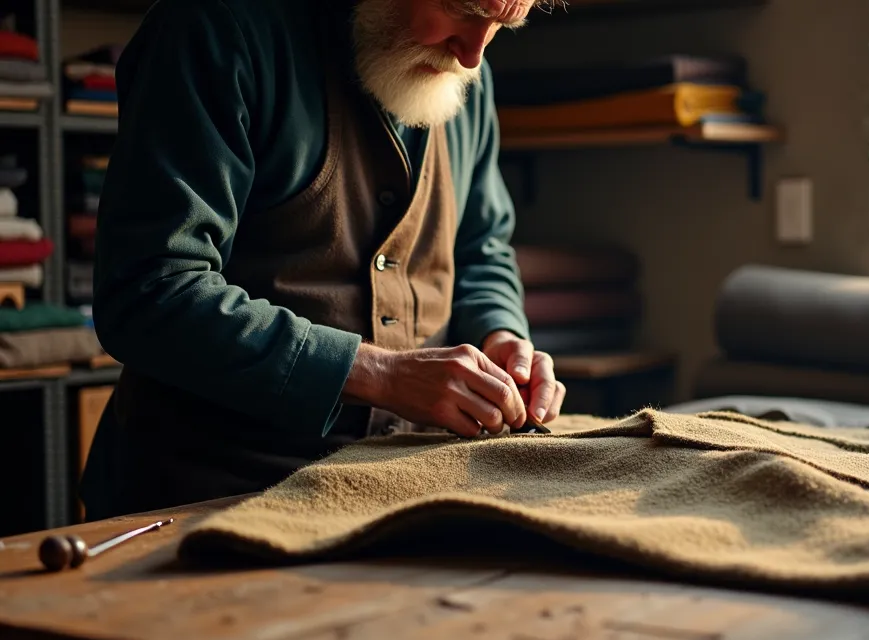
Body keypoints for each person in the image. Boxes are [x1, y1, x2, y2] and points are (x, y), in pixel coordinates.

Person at [81, 0, 565, 520]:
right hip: (209, 493)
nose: (473, 55)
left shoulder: (468, 76)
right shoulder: (218, 31)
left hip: (404, 488)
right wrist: (381, 375)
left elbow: (479, 250)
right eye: (463, 9)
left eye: (501, 25)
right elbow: (150, 291)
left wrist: (501, 337)